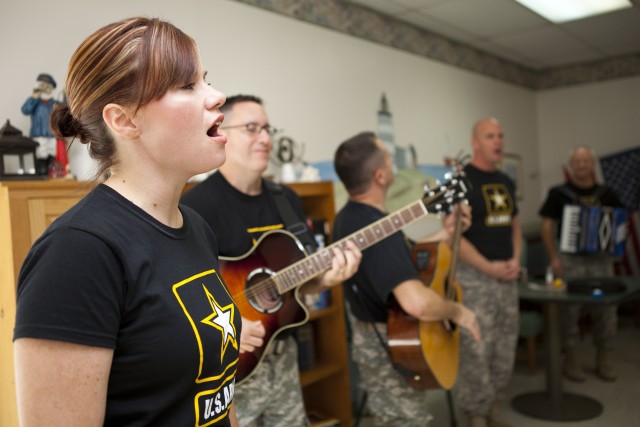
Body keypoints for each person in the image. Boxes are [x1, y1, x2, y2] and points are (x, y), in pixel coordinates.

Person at [13, 17, 240, 426]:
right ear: (124, 120)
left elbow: (216, 395)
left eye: (205, 80)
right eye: (187, 86)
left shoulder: (196, 228)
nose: (217, 96)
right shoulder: (78, 251)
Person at [181, 94, 361, 427]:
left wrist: (326, 279)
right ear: (223, 131)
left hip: (283, 354)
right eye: (252, 128)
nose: (265, 138)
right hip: (229, 363)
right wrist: (232, 322)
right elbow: (183, 292)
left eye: (267, 129)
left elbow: (300, 278)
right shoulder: (196, 207)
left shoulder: (286, 199)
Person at [331, 131, 481, 427]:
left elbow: (409, 257)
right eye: (388, 157)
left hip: (379, 342)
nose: (392, 161)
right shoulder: (371, 227)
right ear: (380, 175)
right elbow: (416, 303)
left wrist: (448, 232)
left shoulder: (352, 218)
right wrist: (459, 312)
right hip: (389, 345)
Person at [455, 117, 522, 427]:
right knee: (476, 351)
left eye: (501, 135)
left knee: (504, 348)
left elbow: (515, 225)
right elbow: (456, 237)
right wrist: (488, 267)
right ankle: (476, 414)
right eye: (490, 136)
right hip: (474, 279)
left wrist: (515, 260)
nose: (498, 142)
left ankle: (491, 405)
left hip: (506, 279)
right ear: (475, 143)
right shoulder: (462, 181)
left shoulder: (506, 181)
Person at [539, 145, 625, 382]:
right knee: (568, 312)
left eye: (586, 160)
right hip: (570, 261)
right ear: (571, 166)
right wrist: (554, 257)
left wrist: (616, 243)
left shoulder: (607, 193)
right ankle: (572, 359)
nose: (582, 164)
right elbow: (546, 225)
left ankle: (604, 358)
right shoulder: (559, 193)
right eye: (577, 161)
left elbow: (620, 222)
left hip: (601, 261)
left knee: (606, 311)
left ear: (593, 163)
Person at [21, 73, 60, 175]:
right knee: (40, 156)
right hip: (38, 136)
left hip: (52, 136)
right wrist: (34, 98)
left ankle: (50, 173)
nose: (45, 89)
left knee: (51, 156)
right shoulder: (34, 102)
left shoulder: (55, 103)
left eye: (48, 86)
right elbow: (25, 110)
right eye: (43, 86)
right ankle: (41, 173)